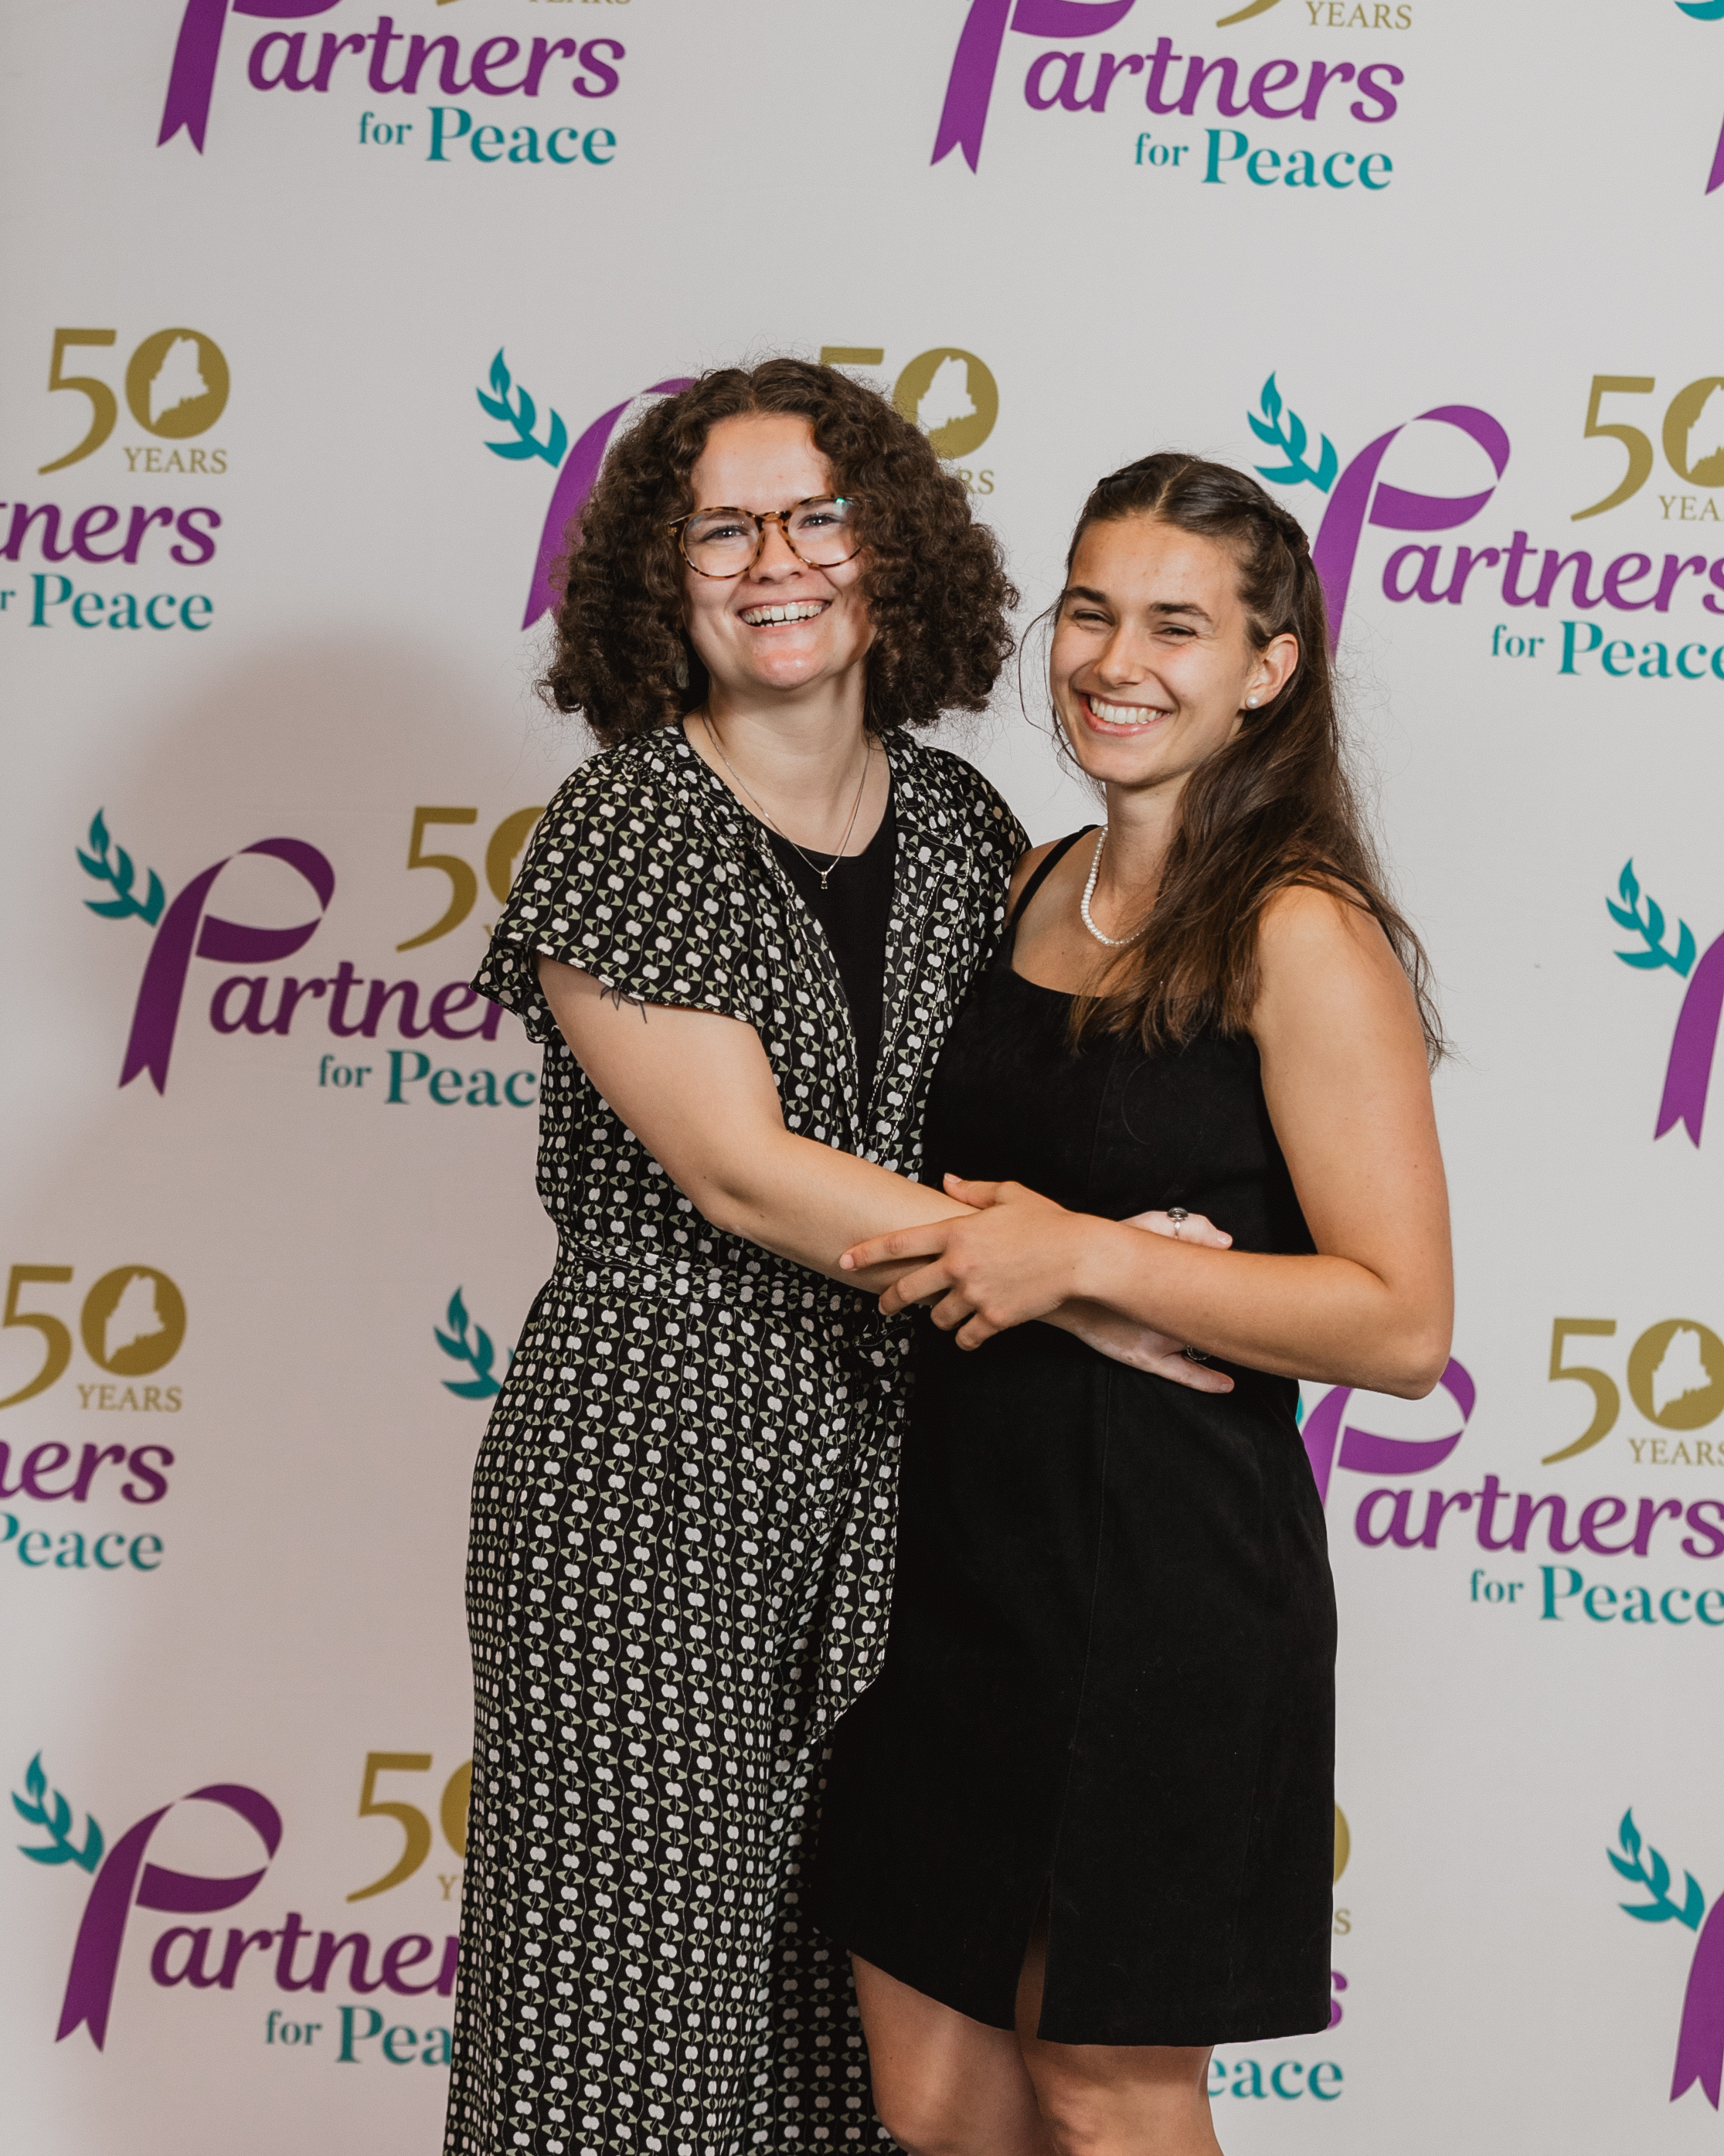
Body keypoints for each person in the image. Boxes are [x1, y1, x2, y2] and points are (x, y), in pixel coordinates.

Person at [444, 366, 1220, 2156]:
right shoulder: (629, 823)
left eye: (818, 517)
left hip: (912, 1491)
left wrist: (1151, 1240)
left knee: (856, 2035)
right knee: (626, 2021)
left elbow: (1039, 1113)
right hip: (652, 1473)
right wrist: (1094, 1275)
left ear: (892, 552)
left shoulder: (962, 824)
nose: (775, 562)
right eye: (722, 528)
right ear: (662, 574)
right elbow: (740, 1173)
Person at [811, 452, 1454, 2156]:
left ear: (1268, 666)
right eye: (1090, 612)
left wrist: (1091, 1259)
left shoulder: (1300, 932)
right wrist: (1051, 1263)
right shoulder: (1029, 881)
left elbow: (1402, 1325)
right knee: (938, 2100)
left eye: (1178, 625)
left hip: (1167, 1585)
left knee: (1107, 2096)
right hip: (961, 1562)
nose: (1115, 661)